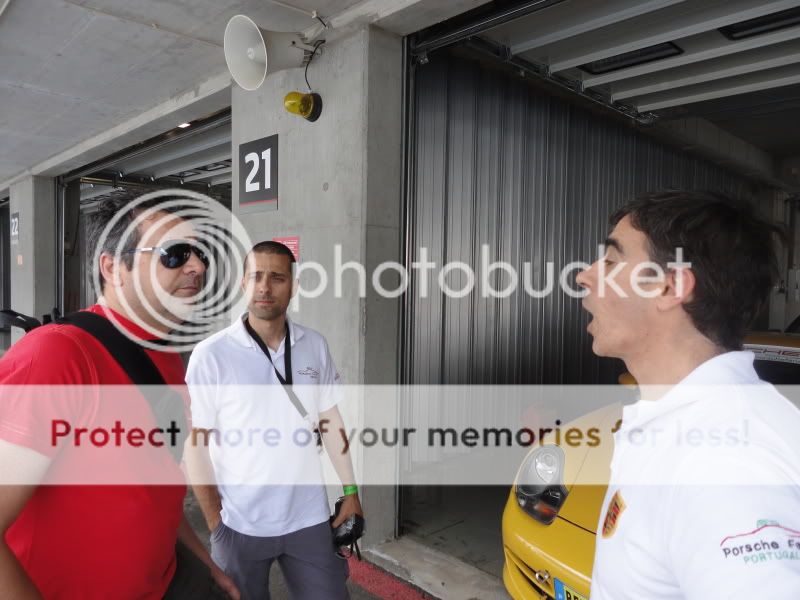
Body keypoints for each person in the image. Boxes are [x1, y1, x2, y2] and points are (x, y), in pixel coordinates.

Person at [0, 197, 239, 599]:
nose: (197, 266)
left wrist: (205, 561)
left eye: (202, 254)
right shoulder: (57, 356)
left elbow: (157, 485)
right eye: (175, 253)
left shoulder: (166, 357)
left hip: (169, 579)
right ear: (113, 268)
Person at [576, 191, 800, 598]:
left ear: (670, 288)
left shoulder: (725, 463)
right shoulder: (694, 425)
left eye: (610, 261)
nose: (584, 275)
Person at [184, 241, 362, 600]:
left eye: (277, 278)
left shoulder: (314, 345)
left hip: (309, 519)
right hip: (239, 524)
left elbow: (330, 421)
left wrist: (350, 490)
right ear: (242, 284)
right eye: (256, 277)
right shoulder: (211, 355)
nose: (265, 287)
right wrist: (216, 525)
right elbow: (196, 446)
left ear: (294, 286)